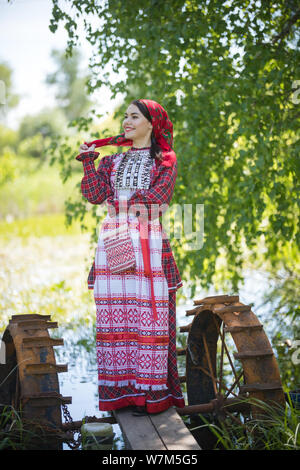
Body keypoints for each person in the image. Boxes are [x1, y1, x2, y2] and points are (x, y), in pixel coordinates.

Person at [76, 98, 185, 416]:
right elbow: (94, 195)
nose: (126, 121)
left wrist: (119, 203)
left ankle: (151, 398)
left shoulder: (165, 158)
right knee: (119, 316)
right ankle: (123, 395)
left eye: (134, 116)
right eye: (125, 116)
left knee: (149, 319)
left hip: (148, 243)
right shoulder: (111, 161)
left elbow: (156, 200)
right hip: (114, 244)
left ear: (152, 123)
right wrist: (88, 163)